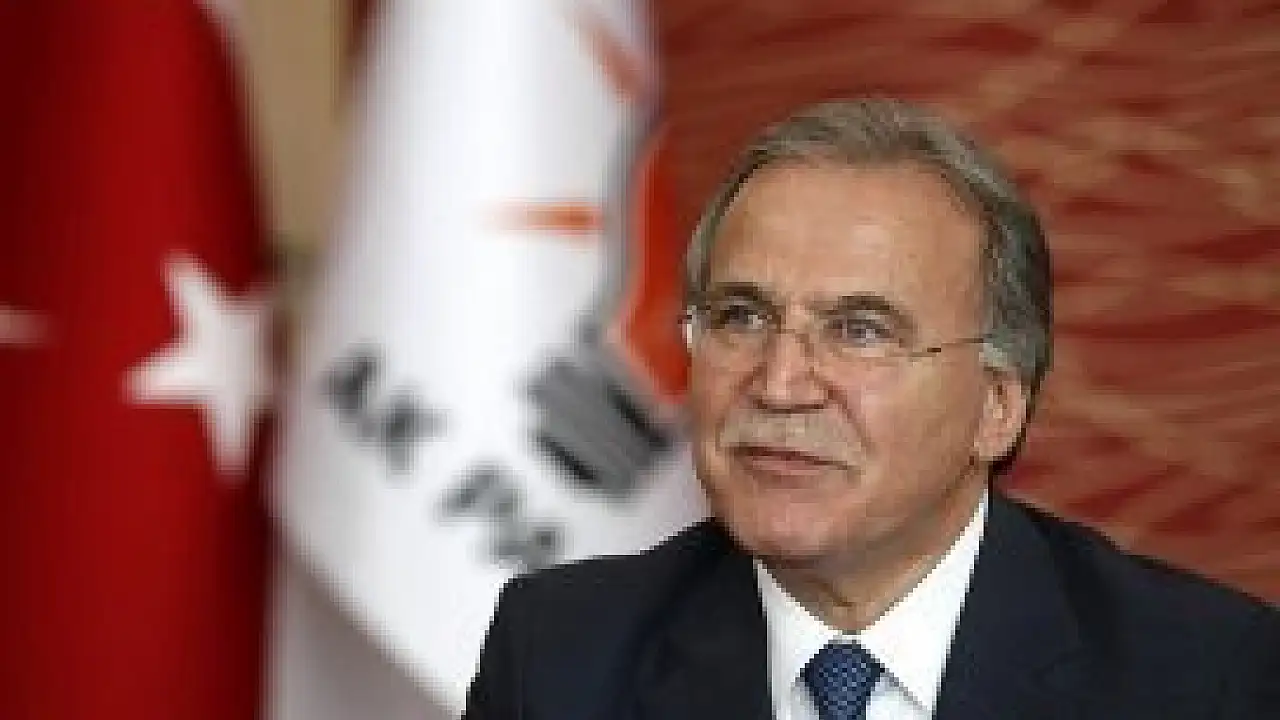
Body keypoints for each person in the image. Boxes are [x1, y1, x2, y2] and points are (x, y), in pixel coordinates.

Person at [462, 98, 1279, 719]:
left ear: (997, 406)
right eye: (741, 317)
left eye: (859, 331)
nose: (780, 384)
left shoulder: (1204, 677)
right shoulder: (561, 657)